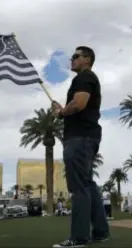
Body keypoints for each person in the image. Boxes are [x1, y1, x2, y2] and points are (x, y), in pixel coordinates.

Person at [51, 46, 109, 248]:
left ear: (87, 59)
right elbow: (75, 106)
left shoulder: (83, 78)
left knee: (79, 186)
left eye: (76, 56)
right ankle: (100, 232)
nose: (72, 60)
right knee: (87, 184)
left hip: (80, 138)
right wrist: (62, 110)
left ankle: (79, 238)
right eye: (72, 57)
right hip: (87, 137)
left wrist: (61, 113)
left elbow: (78, 104)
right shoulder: (87, 79)